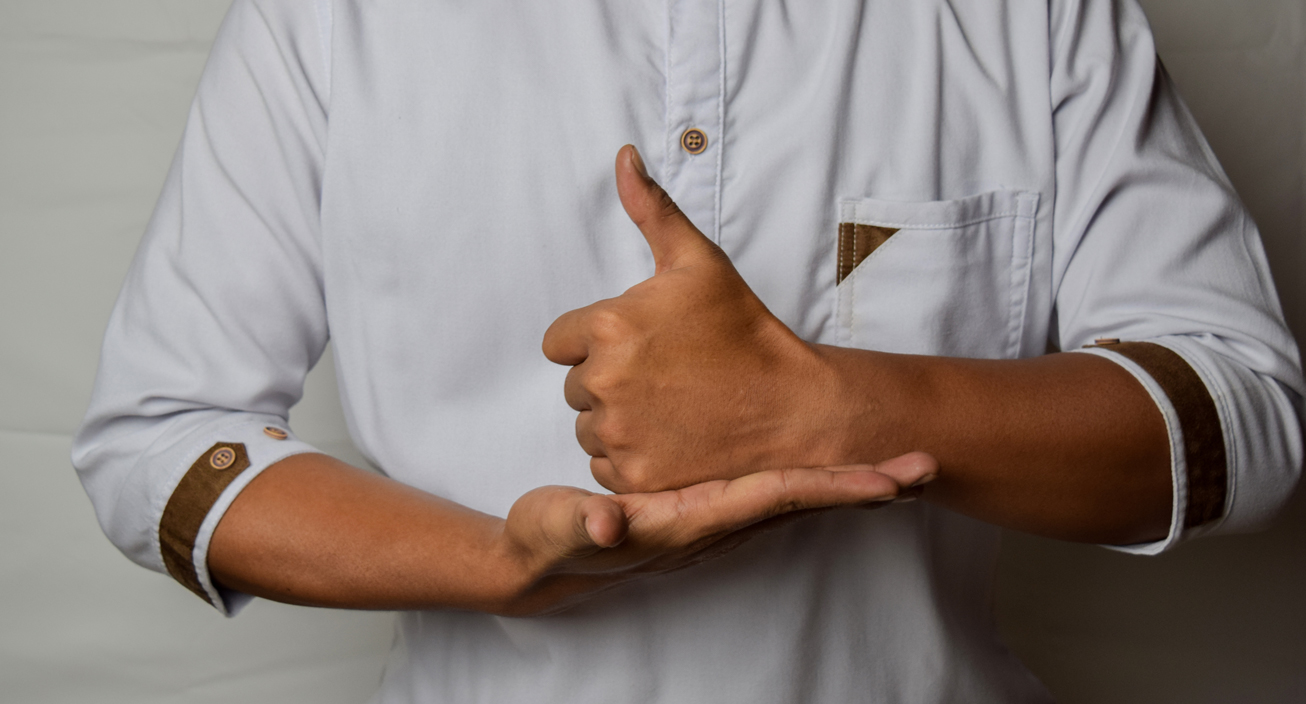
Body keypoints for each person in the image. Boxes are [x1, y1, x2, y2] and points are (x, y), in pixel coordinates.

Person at [73, 0, 1302, 701]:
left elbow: (1245, 411)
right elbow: (161, 436)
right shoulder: (335, 20)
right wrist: (498, 560)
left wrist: (826, 407)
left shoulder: (1027, 16)